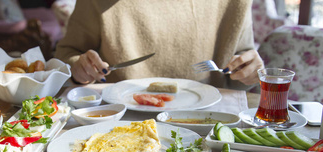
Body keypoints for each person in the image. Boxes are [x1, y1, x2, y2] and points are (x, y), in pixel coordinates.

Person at [54, 0, 264, 89]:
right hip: (119, 120)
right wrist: (78, 70)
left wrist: (249, 70)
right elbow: (67, 54)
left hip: (208, 123)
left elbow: (242, 57)